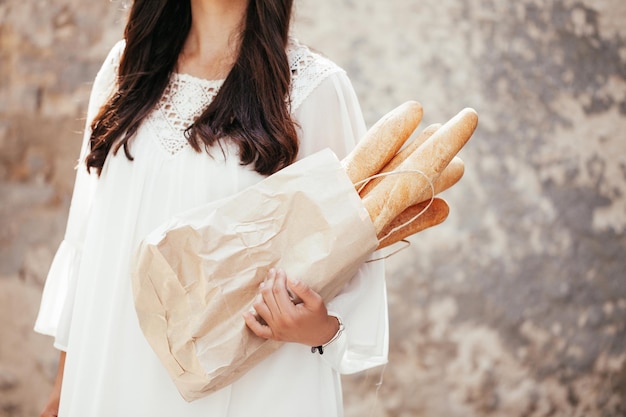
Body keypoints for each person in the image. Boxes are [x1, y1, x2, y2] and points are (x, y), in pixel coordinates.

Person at [35, 0, 388, 416]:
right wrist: (65, 389)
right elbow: (87, 243)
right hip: (113, 372)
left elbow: (352, 257)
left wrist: (321, 330)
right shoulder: (125, 70)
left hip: (252, 385)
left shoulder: (313, 88)